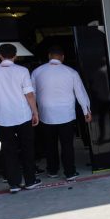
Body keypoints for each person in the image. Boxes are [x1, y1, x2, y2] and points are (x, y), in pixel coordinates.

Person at [0, 43, 41, 193]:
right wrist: (35, 112)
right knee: (27, 149)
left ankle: (13, 184)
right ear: (15, 56)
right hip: (23, 116)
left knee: (9, 151)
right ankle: (30, 181)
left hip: (3, 117)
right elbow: (29, 94)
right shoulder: (22, 70)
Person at [32, 45, 92, 180]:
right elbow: (80, 93)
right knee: (67, 145)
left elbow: (32, 94)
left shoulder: (37, 72)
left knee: (49, 145)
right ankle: (70, 172)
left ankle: (52, 170)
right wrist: (85, 110)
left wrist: (33, 112)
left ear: (49, 56)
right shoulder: (71, 72)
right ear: (63, 58)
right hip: (66, 114)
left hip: (46, 115)